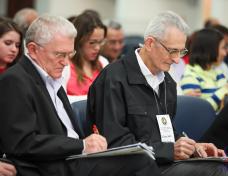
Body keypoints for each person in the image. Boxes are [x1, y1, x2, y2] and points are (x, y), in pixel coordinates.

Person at [0, 14, 161, 176]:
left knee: (139, 156)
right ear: (33, 50)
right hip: (51, 165)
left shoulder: (51, 76)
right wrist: (81, 145)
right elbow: (23, 143)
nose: (65, 62)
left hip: (73, 159)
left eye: (69, 54)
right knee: (140, 162)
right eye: (59, 54)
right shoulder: (15, 80)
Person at [87, 11, 228, 176]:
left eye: (181, 52)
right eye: (172, 51)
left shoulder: (167, 81)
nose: (177, 60)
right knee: (214, 171)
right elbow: (114, 141)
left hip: (160, 162)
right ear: (149, 43)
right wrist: (169, 150)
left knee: (222, 166)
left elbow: (164, 129)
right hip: (130, 167)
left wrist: (190, 147)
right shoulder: (114, 78)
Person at [180, 28, 228, 112]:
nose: (225, 53)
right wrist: (226, 89)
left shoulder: (218, 73)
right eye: (223, 48)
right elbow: (202, 111)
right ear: (209, 49)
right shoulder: (190, 76)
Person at [63, 12, 108, 97]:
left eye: (100, 42)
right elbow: (59, 101)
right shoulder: (64, 64)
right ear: (79, 40)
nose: (97, 48)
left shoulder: (103, 62)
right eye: (92, 42)